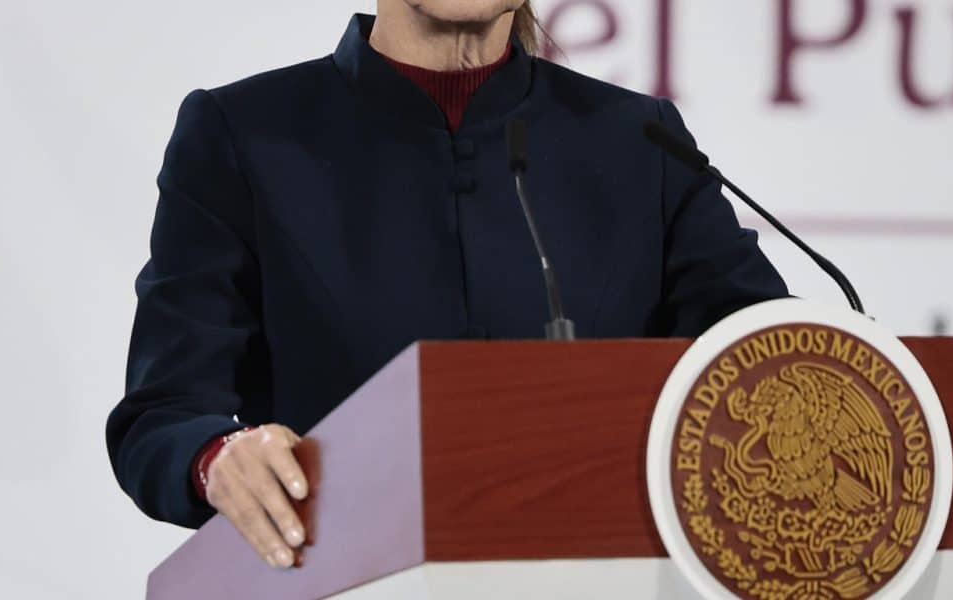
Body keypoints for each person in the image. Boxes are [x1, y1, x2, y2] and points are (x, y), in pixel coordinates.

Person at [106, 0, 788, 571]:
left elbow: (773, 361)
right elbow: (162, 417)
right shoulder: (243, 135)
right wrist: (216, 459)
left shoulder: (640, 141)